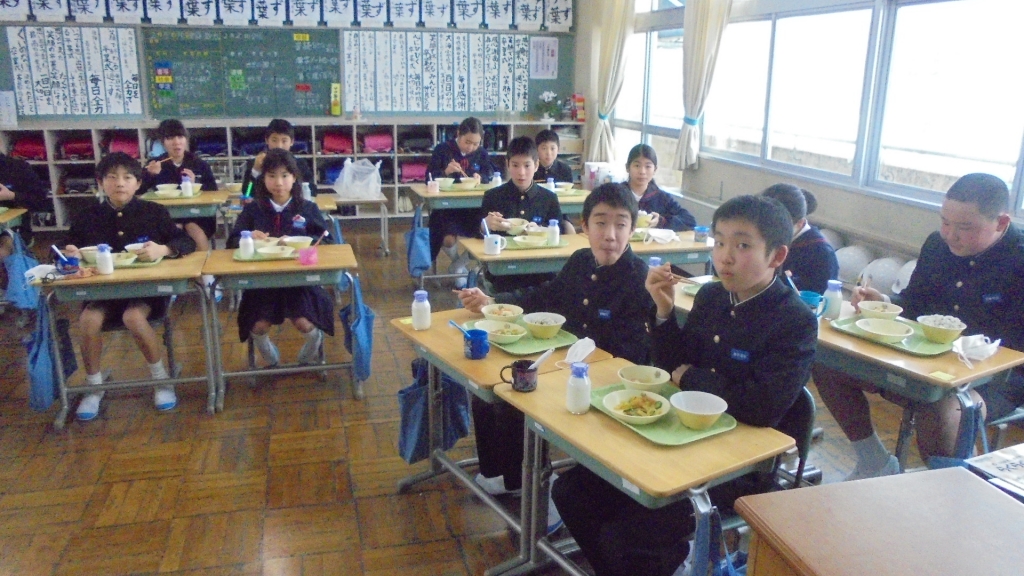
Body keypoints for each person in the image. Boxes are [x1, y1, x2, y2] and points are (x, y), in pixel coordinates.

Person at [552, 194, 817, 576]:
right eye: (719, 242)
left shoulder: (795, 320)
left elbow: (761, 407)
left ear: (777, 256)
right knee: (570, 492)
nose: (725, 257)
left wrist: (691, 376)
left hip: (735, 466)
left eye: (742, 246)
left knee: (627, 534)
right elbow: (671, 365)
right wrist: (662, 311)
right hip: (679, 439)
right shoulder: (710, 296)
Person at [457, 184, 654, 529]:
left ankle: (541, 487)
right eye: (601, 223)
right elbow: (547, 294)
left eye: (620, 224)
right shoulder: (580, 261)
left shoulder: (641, 279)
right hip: (563, 364)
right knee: (492, 391)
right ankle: (508, 477)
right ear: (584, 226)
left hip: (601, 382)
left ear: (632, 229)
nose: (610, 235)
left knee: (519, 398)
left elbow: (636, 355)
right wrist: (494, 302)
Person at [816, 173, 1024, 478]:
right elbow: (916, 304)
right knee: (828, 363)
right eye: (945, 222)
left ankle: (946, 487)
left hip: (998, 379)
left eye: (965, 227)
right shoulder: (937, 245)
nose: (950, 235)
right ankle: (874, 460)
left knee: (941, 409)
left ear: (1001, 223)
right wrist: (884, 302)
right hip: (927, 358)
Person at [62, 152, 197, 421]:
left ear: (138, 183)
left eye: (127, 177)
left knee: (133, 317)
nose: (120, 183)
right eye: (112, 177)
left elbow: (185, 242)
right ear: (101, 182)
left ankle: (161, 379)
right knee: (88, 320)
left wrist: (164, 249)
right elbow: (64, 249)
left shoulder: (154, 212)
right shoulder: (87, 215)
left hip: (146, 291)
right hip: (103, 292)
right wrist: (70, 255)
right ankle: (94, 385)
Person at [227, 149, 334, 367]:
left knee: (305, 323)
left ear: (294, 178)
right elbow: (232, 241)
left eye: (285, 175)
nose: (278, 182)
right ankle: (269, 355)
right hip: (262, 282)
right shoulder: (254, 209)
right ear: (263, 178)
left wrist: (299, 241)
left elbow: (326, 241)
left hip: (300, 281)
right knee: (257, 326)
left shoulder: (307, 208)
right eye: (272, 176)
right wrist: (248, 237)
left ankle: (311, 350)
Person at [480, 136, 563, 293]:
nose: (521, 172)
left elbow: (560, 234)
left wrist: (542, 230)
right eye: (515, 165)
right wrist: (485, 225)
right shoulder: (493, 196)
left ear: (536, 165)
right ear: (507, 164)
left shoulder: (549, 198)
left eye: (527, 165)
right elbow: (479, 236)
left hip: (542, 271)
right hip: (505, 273)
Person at [427, 117, 495, 287]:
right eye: (467, 142)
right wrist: (445, 171)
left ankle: (458, 267)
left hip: (473, 207)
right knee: (447, 239)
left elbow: (490, 173)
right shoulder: (443, 150)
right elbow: (428, 178)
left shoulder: (481, 153)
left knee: (486, 232)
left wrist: (481, 177)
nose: (471, 147)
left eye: (476, 143)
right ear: (458, 134)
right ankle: (458, 265)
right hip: (447, 208)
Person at [141, 119, 219, 252]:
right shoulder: (155, 163)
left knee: (193, 229)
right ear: (163, 142)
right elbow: (138, 189)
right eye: (170, 138)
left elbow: (213, 192)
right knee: (174, 229)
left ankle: (205, 264)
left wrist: (195, 184)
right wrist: (150, 175)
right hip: (167, 215)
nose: (176, 142)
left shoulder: (198, 163)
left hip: (197, 215)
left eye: (180, 136)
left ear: (186, 139)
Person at [760, 183, 839, 294]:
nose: (769, 232)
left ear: (800, 223)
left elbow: (819, 299)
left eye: (779, 227)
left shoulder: (822, 255)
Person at [0, 151, 51, 295]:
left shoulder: (16, 168)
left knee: (4, 248)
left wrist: (12, 195)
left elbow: (41, 201)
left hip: (14, 231)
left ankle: (15, 295)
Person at [624, 144, 696, 232]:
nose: (642, 171)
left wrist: (661, 222)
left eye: (648, 166)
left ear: (655, 170)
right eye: (637, 166)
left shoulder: (662, 197)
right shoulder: (616, 194)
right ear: (627, 168)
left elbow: (690, 221)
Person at [240, 118, 316, 197]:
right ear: (267, 140)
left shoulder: (300, 164)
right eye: (274, 140)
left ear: (292, 142)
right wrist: (255, 172)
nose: (279, 146)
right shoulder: (255, 163)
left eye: (284, 141)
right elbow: (247, 193)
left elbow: (313, 191)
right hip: (264, 204)